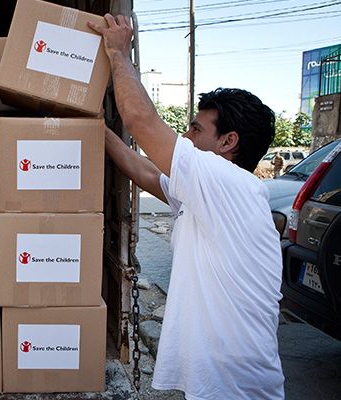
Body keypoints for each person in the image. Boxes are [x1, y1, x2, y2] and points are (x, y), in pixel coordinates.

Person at [89, 15, 285, 400]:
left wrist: (117, 52)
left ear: (229, 141)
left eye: (196, 129)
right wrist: (96, 125)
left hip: (237, 389)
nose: (185, 135)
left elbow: (140, 120)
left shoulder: (230, 183)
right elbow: (145, 172)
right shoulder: (207, 193)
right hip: (220, 384)